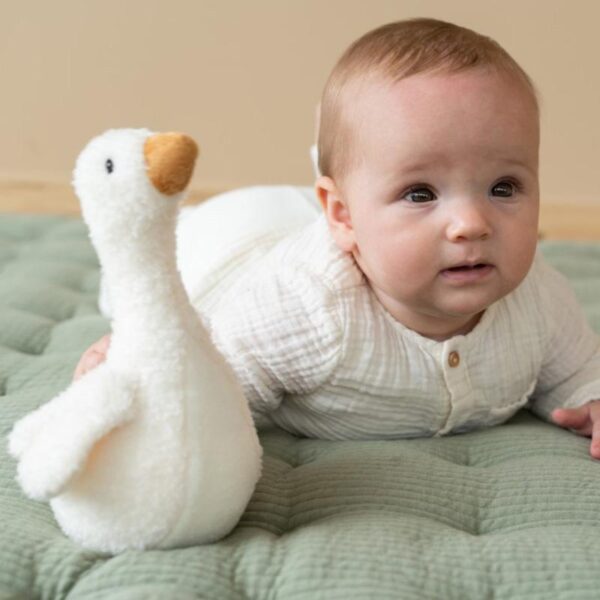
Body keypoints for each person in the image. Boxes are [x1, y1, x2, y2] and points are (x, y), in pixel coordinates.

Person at [73, 18, 600, 455]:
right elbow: (207, 394)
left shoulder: (538, 301)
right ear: (342, 215)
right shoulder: (301, 312)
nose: (472, 223)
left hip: (321, 222)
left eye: (504, 187)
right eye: (420, 193)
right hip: (226, 246)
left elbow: (578, 370)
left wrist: (591, 399)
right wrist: (137, 389)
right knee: (145, 281)